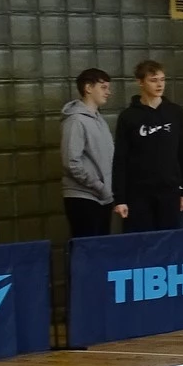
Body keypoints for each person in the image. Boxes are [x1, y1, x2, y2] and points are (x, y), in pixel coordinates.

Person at [111, 59, 183, 233]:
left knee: (170, 240)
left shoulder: (175, 112)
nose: (159, 85)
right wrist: (120, 198)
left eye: (162, 80)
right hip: (138, 193)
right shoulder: (128, 116)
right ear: (140, 82)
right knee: (141, 240)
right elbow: (121, 158)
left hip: (170, 190)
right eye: (153, 80)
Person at [61, 67, 117, 238]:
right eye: (103, 87)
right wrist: (99, 186)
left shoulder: (100, 120)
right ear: (88, 88)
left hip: (103, 197)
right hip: (83, 198)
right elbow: (72, 162)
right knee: (87, 246)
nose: (108, 92)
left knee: (101, 247)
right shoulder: (75, 120)